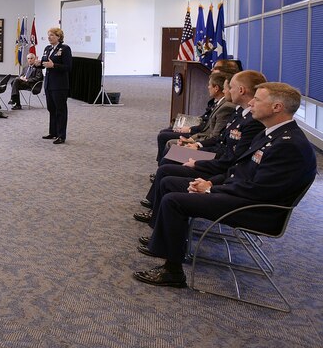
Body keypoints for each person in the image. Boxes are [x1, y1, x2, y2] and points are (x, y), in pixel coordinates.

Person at [133, 82, 317, 288]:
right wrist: (211, 182)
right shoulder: (271, 133)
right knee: (170, 182)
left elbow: (259, 190)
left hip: (259, 210)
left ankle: (173, 271)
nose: (252, 103)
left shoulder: (288, 145)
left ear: (277, 108)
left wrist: (211, 188)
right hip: (242, 194)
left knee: (174, 201)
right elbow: (238, 170)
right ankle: (166, 245)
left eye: (258, 99)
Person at [136, 71, 266, 222]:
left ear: (241, 90)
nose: (227, 91)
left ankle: (157, 215)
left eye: (230, 87)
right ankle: (156, 209)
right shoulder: (239, 113)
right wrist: (197, 146)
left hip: (220, 164)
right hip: (216, 156)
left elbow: (231, 157)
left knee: (167, 168)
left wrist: (198, 159)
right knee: (171, 156)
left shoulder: (250, 120)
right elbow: (221, 140)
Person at [155, 72, 235, 163]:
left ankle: (161, 169)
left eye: (209, 85)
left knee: (168, 143)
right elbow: (206, 121)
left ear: (216, 88)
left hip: (207, 144)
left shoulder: (226, 107)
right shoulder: (219, 103)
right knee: (168, 136)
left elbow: (214, 136)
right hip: (203, 138)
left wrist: (194, 140)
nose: (208, 87)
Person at [37, 28, 72, 144]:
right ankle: (53, 132)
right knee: (51, 109)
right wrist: (37, 64)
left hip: (60, 85)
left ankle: (61, 135)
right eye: (48, 35)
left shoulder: (65, 49)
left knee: (60, 110)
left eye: (52, 35)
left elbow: (68, 67)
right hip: (48, 84)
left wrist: (54, 65)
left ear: (58, 37)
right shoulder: (47, 49)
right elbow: (43, 64)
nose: (49, 37)